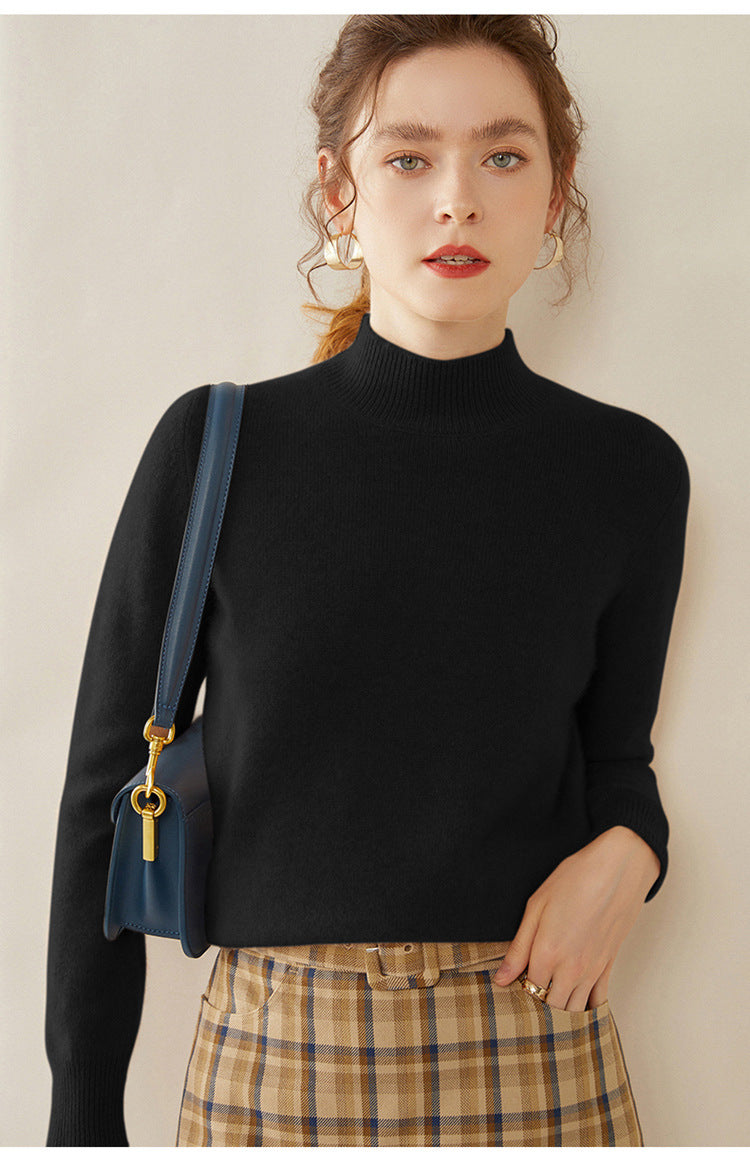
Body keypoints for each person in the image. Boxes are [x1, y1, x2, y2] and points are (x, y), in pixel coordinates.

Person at [44, 15, 690, 1148]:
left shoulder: (630, 470)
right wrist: (83, 1112)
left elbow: (615, 763)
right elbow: (107, 787)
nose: (457, 200)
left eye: (503, 155)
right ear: (339, 192)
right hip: (274, 1055)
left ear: (555, 191)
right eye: (408, 157)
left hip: (536, 1040)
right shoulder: (217, 447)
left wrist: (636, 851)